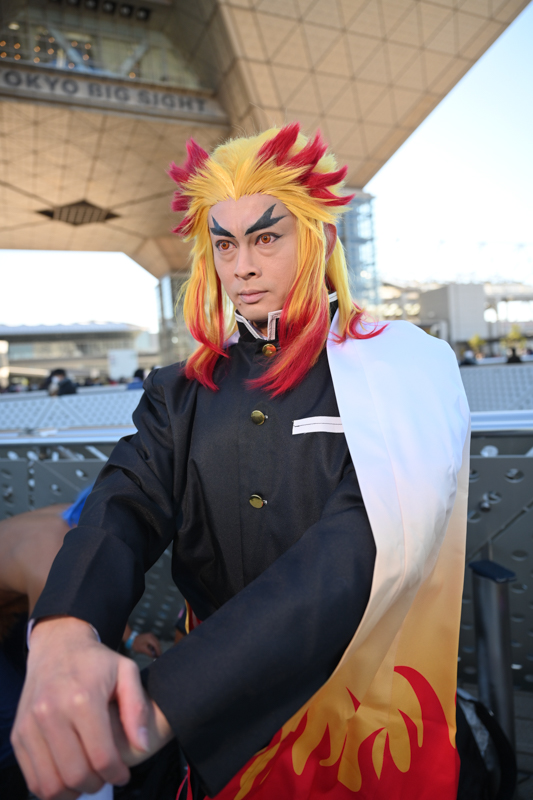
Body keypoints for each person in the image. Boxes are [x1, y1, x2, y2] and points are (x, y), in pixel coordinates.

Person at [12, 125, 470, 800]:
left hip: (354, 710)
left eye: (265, 238)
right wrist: (63, 630)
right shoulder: (181, 389)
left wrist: (165, 701)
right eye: (224, 244)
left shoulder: (402, 366)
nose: (241, 267)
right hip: (209, 738)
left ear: (320, 240)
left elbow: (358, 551)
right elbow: (123, 502)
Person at [0, 494, 162, 798]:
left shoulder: (85, 523)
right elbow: (53, 675)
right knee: (14, 721)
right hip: (17, 600)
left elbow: (96, 585)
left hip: (10, 600)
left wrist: (130, 638)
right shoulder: (50, 565)